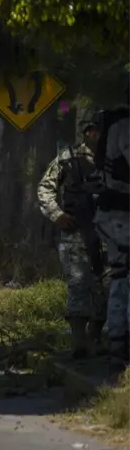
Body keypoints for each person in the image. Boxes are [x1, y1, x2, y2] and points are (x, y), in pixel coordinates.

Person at [38, 119, 106, 359]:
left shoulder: (115, 157)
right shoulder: (67, 157)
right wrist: (56, 215)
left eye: (99, 129)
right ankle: (79, 342)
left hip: (109, 231)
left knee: (105, 285)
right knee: (78, 284)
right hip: (75, 229)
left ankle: (96, 338)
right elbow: (45, 188)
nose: (95, 134)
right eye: (92, 130)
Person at [94, 83, 130, 373]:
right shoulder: (125, 127)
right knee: (123, 278)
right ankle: (120, 344)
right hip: (122, 217)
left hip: (117, 216)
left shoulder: (117, 124)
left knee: (120, 277)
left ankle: (118, 343)